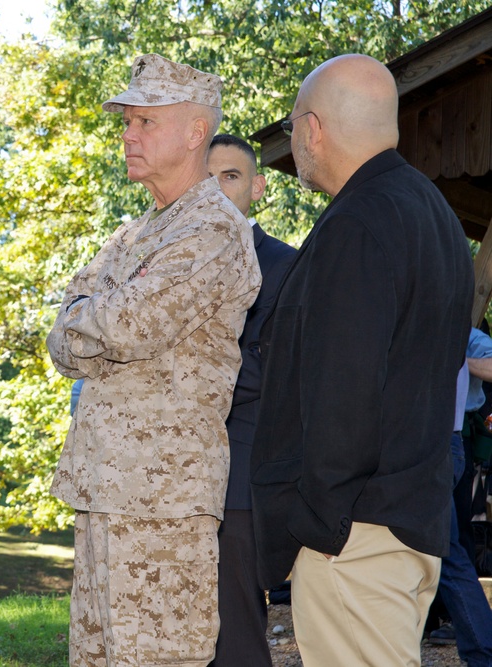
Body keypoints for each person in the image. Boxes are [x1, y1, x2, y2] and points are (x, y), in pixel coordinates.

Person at [249, 54, 473, 667]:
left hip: (355, 536)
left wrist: (319, 525)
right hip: (405, 517)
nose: (292, 142)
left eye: (293, 126)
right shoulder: (436, 217)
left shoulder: (359, 223)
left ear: (314, 128)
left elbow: (343, 395)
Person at [47, 54, 261, 666]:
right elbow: (62, 339)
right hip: (107, 487)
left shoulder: (213, 227)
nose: (128, 134)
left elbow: (125, 323)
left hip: (163, 502)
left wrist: (93, 314)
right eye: (127, 121)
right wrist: (92, 317)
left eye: (145, 121)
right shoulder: (135, 232)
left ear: (196, 133)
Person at [206, 134, 296, 667]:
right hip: (170, 473)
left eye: (231, 177)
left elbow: (277, 374)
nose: (215, 190)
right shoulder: (169, 258)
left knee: (236, 623)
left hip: (241, 469)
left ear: (258, 188)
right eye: (206, 177)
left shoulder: (286, 267)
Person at [427, 328, 492, 666]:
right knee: (444, 551)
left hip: (439, 442)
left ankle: (483, 648)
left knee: (449, 552)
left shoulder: (459, 333)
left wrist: (461, 361)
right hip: (445, 442)